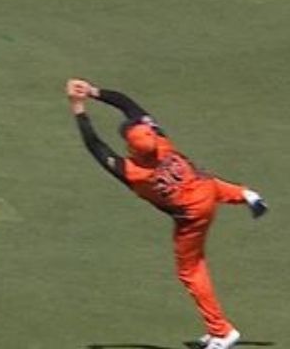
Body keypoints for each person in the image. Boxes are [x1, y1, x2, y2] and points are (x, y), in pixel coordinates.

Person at [66, 78, 267, 349]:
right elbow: (128, 105)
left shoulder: (133, 173)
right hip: (203, 184)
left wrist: (78, 106)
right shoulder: (160, 140)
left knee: (191, 270)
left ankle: (222, 332)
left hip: (193, 214)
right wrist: (93, 92)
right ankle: (245, 194)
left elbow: (95, 145)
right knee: (205, 184)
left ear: (131, 148)